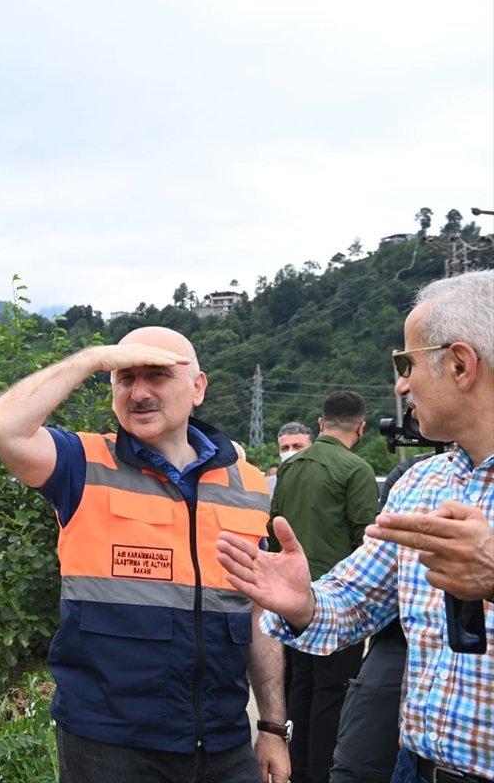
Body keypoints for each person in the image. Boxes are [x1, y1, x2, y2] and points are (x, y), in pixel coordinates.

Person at [0, 326, 290, 783]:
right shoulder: (81, 463)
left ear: (197, 387)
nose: (139, 392)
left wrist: (271, 727)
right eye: (125, 378)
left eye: (157, 375)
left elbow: (258, 615)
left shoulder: (246, 484)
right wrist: (91, 358)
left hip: (223, 744)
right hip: (109, 746)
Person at [217, 269, 494, 783]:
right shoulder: (421, 483)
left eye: (406, 363)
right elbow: (358, 597)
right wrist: (304, 602)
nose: (400, 384)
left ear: (460, 364)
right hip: (416, 767)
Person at [269, 392, 378, 783]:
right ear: (361, 428)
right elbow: (370, 544)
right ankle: (320, 775)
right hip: (340, 605)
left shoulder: (289, 469)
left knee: (300, 687)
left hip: (293, 600)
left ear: (320, 424)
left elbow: (273, 529)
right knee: (332, 695)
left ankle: (295, 771)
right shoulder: (357, 470)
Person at [329, 453, 434, 783]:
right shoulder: (415, 478)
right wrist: (306, 602)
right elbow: (362, 587)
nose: (401, 396)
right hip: (390, 663)